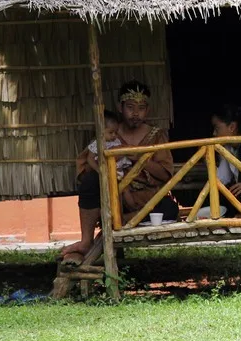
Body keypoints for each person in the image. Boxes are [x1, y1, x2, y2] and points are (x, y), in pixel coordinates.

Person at [62, 80, 179, 260]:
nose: (136, 113)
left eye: (141, 108)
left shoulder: (156, 135)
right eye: (130, 107)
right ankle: (86, 241)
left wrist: (139, 158)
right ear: (120, 107)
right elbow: (86, 164)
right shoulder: (109, 134)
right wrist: (107, 168)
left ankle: (123, 219)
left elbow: (165, 174)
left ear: (148, 110)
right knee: (90, 181)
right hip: (115, 197)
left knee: (170, 208)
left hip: (147, 199)